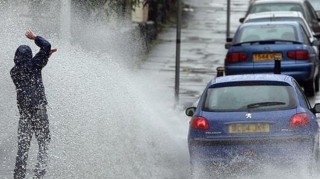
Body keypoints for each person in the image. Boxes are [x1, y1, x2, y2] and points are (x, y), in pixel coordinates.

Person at [10, 30, 57, 179]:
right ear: (29, 56)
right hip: (38, 111)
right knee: (43, 145)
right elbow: (46, 45)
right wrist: (35, 38)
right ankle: (39, 175)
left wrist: (45, 56)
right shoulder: (33, 65)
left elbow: (34, 66)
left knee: (23, 148)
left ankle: (18, 176)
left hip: (25, 115)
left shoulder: (14, 72)